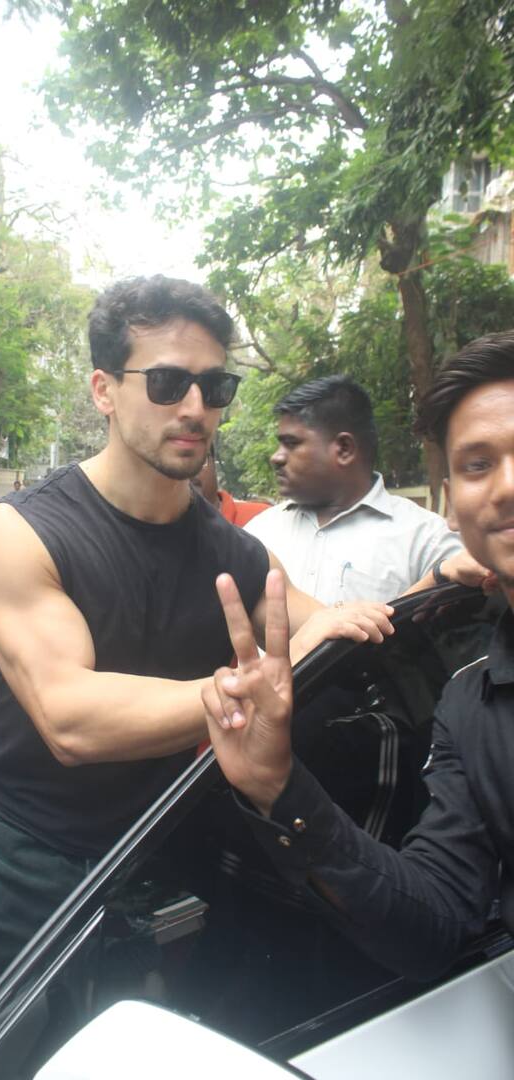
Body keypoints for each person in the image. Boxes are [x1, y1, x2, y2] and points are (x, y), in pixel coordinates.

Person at [0, 275, 394, 1080]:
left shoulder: (234, 550)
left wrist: (456, 581)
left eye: (214, 385)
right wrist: (217, 699)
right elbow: (68, 715)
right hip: (10, 845)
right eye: (166, 382)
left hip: (151, 848)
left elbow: (317, 619)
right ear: (104, 391)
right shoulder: (22, 530)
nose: (194, 406)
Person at [203, 329, 514, 981]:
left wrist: (433, 585)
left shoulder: (418, 536)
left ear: (343, 448)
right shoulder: (473, 714)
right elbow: (433, 920)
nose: (506, 488)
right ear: (458, 497)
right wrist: (275, 786)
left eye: (291, 442)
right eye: (478, 465)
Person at [245, 375, 465, 604]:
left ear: (344, 449)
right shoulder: (258, 533)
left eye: (291, 443)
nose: (276, 457)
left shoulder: (426, 541)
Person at [191, 446, 270, 526]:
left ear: (214, 465)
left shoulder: (263, 517)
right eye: (177, 464)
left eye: (195, 458)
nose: (186, 471)